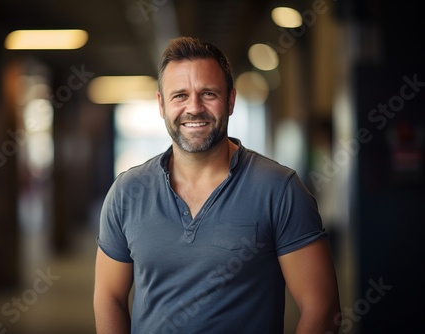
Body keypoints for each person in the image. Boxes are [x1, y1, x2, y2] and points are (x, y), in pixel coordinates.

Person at [94, 36, 341, 334]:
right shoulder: (127, 192)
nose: (194, 108)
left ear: (231, 100)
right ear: (161, 104)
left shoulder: (278, 189)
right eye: (180, 95)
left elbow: (323, 308)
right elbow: (109, 297)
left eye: (208, 93)